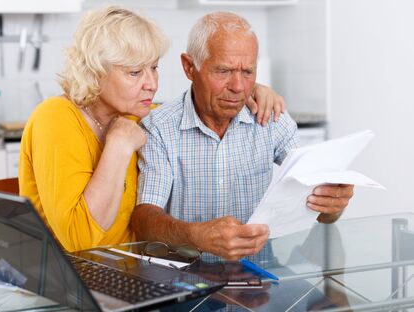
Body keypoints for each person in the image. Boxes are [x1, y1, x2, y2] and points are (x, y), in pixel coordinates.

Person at [18, 6, 286, 252]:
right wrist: (119, 146)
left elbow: (195, 106)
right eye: (135, 72)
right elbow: (81, 242)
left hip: (126, 278)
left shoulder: (140, 116)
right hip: (55, 284)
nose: (151, 84)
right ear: (95, 72)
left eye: (154, 68)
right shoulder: (55, 117)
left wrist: (250, 91)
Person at [131, 12, 354, 260]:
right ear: (189, 67)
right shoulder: (159, 127)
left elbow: (321, 207)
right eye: (223, 71)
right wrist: (195, 235)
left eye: (248, 72)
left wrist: (333, 204)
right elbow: (145, 219)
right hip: (186, 278)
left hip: (260, 274)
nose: (238, 87)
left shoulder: (271, 119)